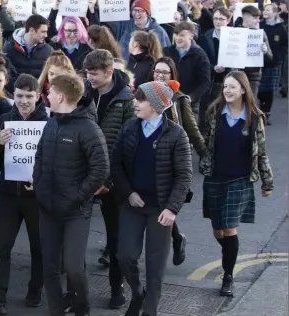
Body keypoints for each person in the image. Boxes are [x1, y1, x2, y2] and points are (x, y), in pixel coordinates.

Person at [111, 81, 192, 316]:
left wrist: (172, 208)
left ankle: (150, 310)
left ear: (156, 106)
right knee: (125, 256)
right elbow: (115, 164)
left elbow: (184, 176)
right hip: (133, 204)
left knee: (155, 265)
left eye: (141, 100)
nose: (135, 103)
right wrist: (128, 192)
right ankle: (138, 293)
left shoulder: (177, 135)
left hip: (160, 208)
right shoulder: (129, 128)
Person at [34, 73, 109, 316]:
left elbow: (101, 169)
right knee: (50, 267)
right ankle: (56, 309)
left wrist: (79, 196)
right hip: (48, 208)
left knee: (74, 267)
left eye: (50, 93)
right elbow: (39, 158)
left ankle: (81, 307)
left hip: (76, 211)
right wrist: (39, 186)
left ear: (61, 96)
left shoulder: (88, 128)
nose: (47, 96)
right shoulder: (51, 123)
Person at [199, 71, 273, 297]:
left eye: (232, 87)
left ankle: (228, 277)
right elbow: (204, 143)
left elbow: (261, 151)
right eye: (225, 87)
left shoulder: (254, 117)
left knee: (230, 227)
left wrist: (267, 182)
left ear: (243, 90)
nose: (227, 91)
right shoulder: (214, 113)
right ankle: (229, 253)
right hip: (214, 177)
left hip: (239, 180)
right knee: (218, 230)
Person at [0, 74, 48, 315]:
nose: (23, 101)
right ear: (14, 96)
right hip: (9, 194)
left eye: (29, 96)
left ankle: (35, 288)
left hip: (36, 196)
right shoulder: (5, 119)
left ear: (38, 96)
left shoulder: (48, 121)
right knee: (1, 246)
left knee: (38, 246)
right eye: (19, 96)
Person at [83, 49, 136, 309]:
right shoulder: (84, 95)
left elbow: (127, 147)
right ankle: (75, 290)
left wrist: (110, 181)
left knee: (115, 238)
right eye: (87, 73)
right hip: (85, 177)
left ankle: (117, 286)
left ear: (109, 73)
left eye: (95, 74)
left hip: (112, 182)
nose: (90, 78)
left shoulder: (127, 100)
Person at [148, 59, 206, 266]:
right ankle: (174, 238)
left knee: (164, 202)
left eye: (165, 72)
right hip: (149, 156)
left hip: (172, 158)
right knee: (155, 202)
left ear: (172, 74)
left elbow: (192, 129)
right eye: (157, 71)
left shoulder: (180, 100)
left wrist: (204, 154)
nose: (160, 75)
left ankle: (172, 241)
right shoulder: (145, 95)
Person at [163, 21, 212, 114]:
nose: (178, 38)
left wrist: (191, 97)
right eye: (176, 34)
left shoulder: (200, 55)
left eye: (182, 35)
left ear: (191, 36)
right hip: (167, 102)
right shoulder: (167, 52)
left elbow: (205, 82)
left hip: (190, 105)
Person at [3, 14, 52, 92]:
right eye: (43, 32)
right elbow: (6, 76)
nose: (46, 35)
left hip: (39, 98)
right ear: (32, 30)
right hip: (15, 96)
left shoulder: (48, 50)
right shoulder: (9, 49)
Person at [258, 3, 288, 124]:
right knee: (259, 89)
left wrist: (278, 58)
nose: (265, 11)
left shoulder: (281, 28)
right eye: (264, 9)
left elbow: (285, 45)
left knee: (269, 90)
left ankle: (266, 112)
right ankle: (259, 109)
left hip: (273, 63)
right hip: (259, 62)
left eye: (268, 10)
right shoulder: (260, 25)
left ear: (275, 13)